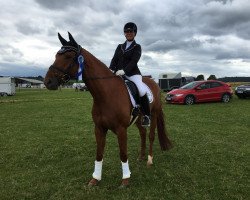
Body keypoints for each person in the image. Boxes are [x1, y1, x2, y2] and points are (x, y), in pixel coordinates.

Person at [109, 22, 150, 126]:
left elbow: (134, 61)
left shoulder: (137, 47)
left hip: (133, 74)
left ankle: (146, 115)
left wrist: (125, 71)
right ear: (124, 33)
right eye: (126, 31)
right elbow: (114, 59)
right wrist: (110, 69)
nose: (128, 33)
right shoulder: (120, 46)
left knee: (141, 90)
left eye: (130, 31)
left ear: (135, 33)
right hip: (118, 74)